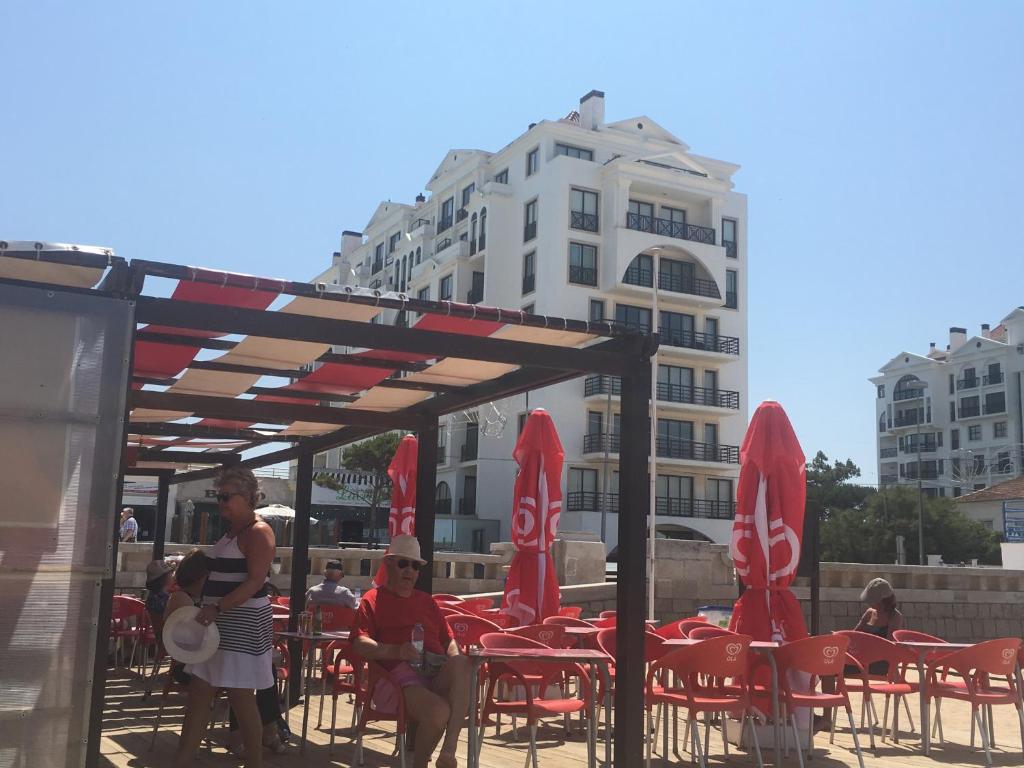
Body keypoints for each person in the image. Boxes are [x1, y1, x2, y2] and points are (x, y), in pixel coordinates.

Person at [174, 467, 277, 768]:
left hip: (241, 623)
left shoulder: (259, 531)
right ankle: (181, 760)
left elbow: (256, 581)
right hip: (217, 623)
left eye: (226, 497)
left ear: (247, 497)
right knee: (198, 696)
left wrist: (217, 607)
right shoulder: (234, 531)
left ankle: (254, 763)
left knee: (242, 699)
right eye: (217, 496)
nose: (220, 502)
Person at [351, 535, 470, 768]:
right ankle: (421, 764)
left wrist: (453, 660)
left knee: (463, 663)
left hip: (434, 669)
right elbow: (358, 643)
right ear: (388, 564)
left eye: (415, 566)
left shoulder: (427, 601)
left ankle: (449, 752)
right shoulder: (372, 600)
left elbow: (449, 641)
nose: (410, 570)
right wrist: (396, 651)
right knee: (439, 712)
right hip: (398, 676)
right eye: (403, 563)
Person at [144, 559, 175, 639]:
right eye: (169, 573)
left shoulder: (154, 595)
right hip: (167, 636)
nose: (172, 575)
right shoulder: (161, 598)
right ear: (163, 578)